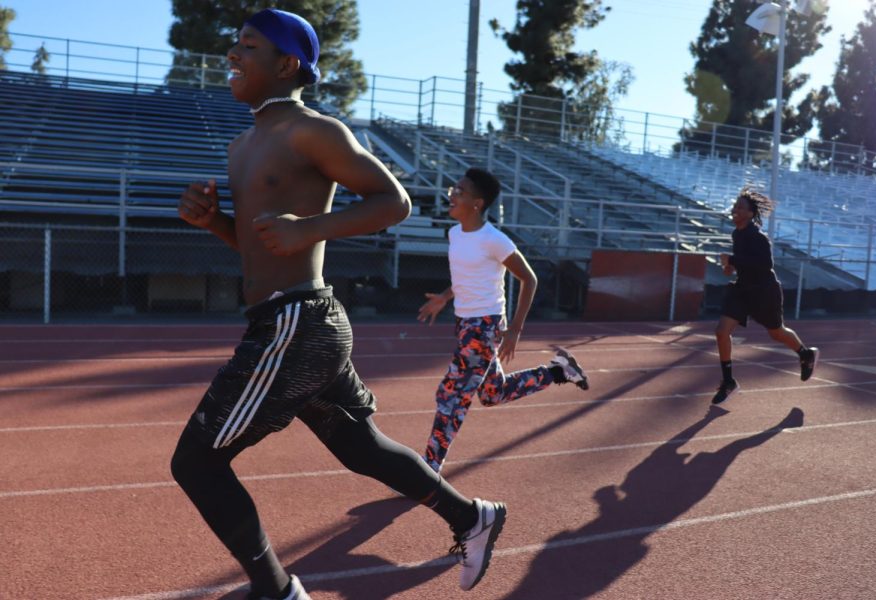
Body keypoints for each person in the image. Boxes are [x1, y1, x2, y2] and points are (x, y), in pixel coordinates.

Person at [170, 9, 504, 599]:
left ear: (286, 64)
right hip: (295, 320)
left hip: (294, 321)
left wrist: (312, 229)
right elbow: (259, 243)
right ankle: (471, 517)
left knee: (196, 462)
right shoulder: (241, 146)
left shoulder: (312, 130)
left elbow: (393, 201)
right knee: (360, 446)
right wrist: (217, 223)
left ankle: (277, 592)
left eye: (247, 46)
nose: (232, 55)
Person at [417, 168, 590, 473]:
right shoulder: (454, 234)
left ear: (477, 203)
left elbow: (529, 279)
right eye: (453, 188)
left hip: (483, 326)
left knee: (451, 394)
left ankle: (429, 468)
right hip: (464, 323)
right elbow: (465, 278)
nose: (452, 194)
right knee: (493, 393)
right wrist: (445, 297)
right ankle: (559, 372)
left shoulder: (494, 240)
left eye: (460, 191)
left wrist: (514, 331)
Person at [713, 187, 819, 404]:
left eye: (740, 207)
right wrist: (730, 268)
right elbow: (744, 264)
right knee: (722, 331)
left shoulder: (758, 238)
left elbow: (764, 265)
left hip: (764, 291)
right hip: (742, 290)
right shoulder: (737, 234)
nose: (735, 210)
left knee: (776, 333)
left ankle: (805, 354)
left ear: (751, 214)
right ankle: (728, 382)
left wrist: (732, 261)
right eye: (735, 206)